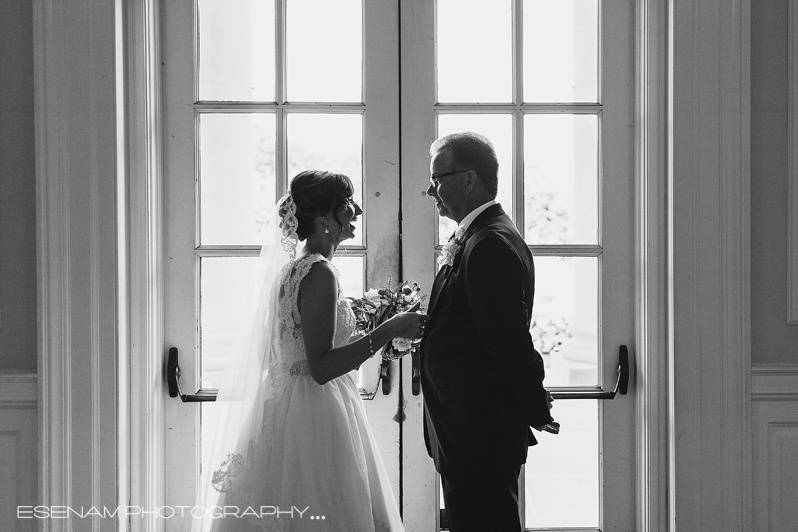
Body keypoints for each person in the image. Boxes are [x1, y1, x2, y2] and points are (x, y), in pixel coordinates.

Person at [193, 170, 425, 532]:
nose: (358, 211)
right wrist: (390, 329)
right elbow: (320, 367)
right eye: (347, 205)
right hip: (316, 411)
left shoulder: (293, 269)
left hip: (288, 403)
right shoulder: (320, 272)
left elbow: (294, 350)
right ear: (322, 220)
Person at [419, 132, 559, 532]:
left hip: (478, 431)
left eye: (437, 179)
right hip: (465, 428)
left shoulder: (490, 244)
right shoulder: (477, 234)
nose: (430, 191)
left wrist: (535, 402)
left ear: (468, 179)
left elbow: (509, 341)